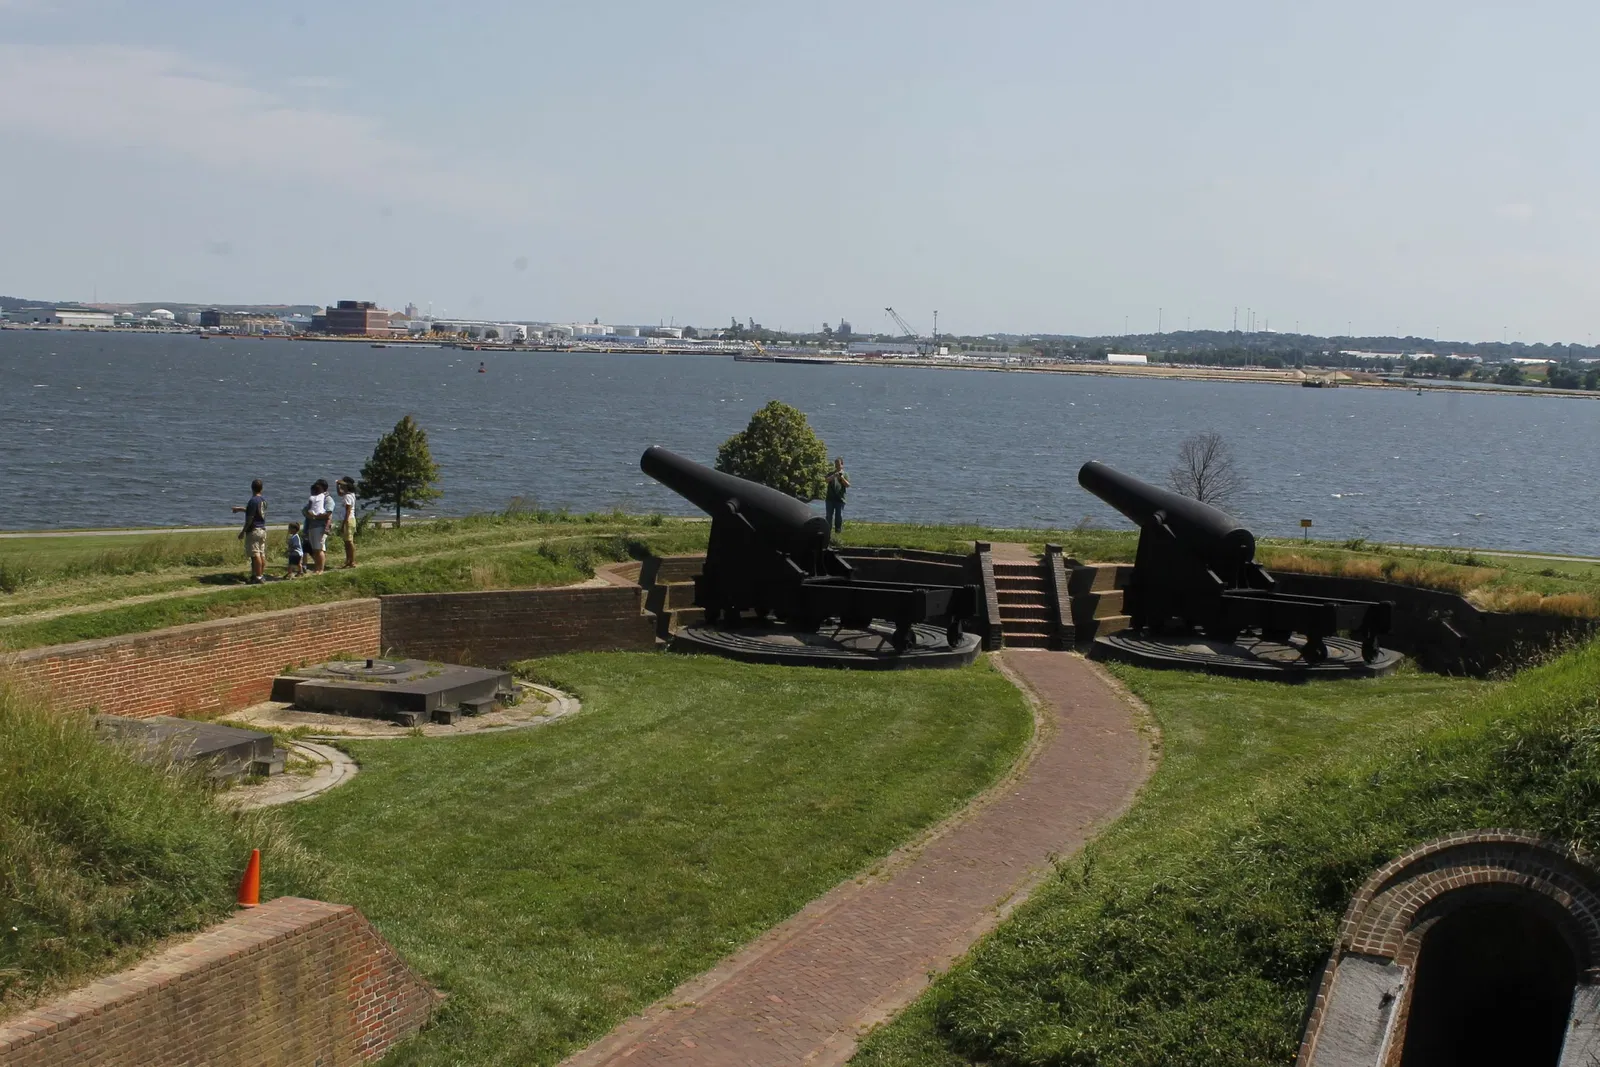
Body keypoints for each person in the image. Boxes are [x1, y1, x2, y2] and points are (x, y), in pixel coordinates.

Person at [231, 479, 268, 584]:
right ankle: (259, 574)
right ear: (262, 488)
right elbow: (257, 513)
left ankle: (258, 577)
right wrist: (240, 509)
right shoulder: (263, 501)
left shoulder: (253, 500)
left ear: (252, 488)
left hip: (254, 530)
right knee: (261, 553)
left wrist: (243, 531)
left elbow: (250, 518)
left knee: (255, 554)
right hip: (262, 529)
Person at [302, 479, 331, 574]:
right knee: (315, 549)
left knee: (320, 548)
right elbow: (305, 510)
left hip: (320, 526)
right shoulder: (315, 498)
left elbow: (328, 514)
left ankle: (321, 569)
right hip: (312, 526)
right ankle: (317, 567)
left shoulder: (327, 499)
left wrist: (314, 516)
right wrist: (310, 515)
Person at [824, 457, 850, 536]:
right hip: (830, 499)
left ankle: (838, 532)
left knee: (839, 516)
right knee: (829, 516)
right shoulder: (831, 473)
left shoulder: (845, 474)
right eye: (836, 465)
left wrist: (841, 478)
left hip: (840, 499)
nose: (837, 466)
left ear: (842, 465)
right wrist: (833, 476)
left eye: (838, 465)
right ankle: (828, 532)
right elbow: (826, 480)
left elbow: (848, 485)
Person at [336, 477, 358, 568]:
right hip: (350, 520)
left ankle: (351, 561)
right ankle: (348, 560)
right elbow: (339, 493)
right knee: (347, 542)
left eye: (342, 484)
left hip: (348, 520)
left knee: (349, 542)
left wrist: (344, 523)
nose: (341, 486)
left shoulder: (348, 496)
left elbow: (348, 511)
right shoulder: (350, 494)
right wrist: (337, 485)